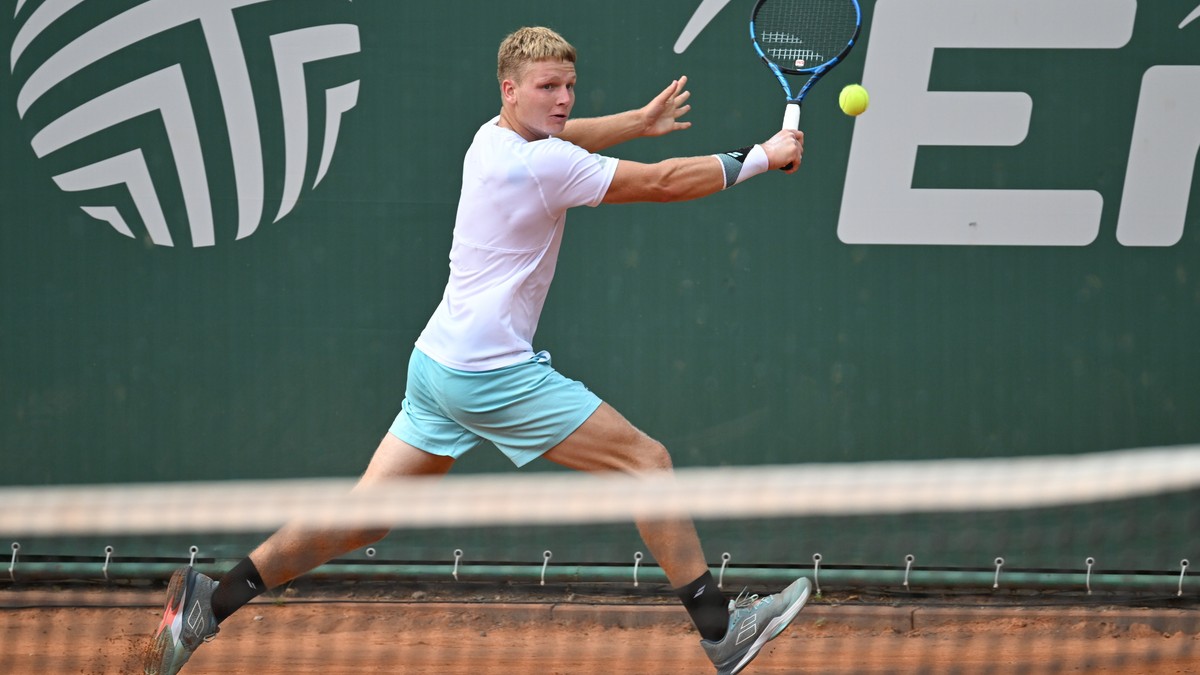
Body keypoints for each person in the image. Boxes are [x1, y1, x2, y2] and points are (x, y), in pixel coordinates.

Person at [145, 26, 809, 675]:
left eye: (570, 86)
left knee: (362, 517)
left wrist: (635, 119)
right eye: (548, 86)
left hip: (436, 366)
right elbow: (662, 181)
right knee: (648, 462)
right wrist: (764, 155)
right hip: (490, 373)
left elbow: (569, 136)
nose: (564, 100)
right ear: (509, 88)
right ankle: (723, 632)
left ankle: (209, 603)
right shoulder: (543, 164)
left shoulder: (490, 138)